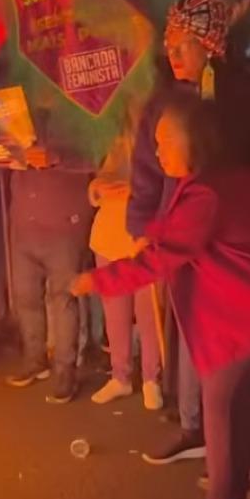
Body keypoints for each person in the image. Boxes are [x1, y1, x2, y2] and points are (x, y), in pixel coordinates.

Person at [70, 94, 250, 499]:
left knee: (224, 404)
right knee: (235, 405)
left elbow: (164, 257)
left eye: (167, 140)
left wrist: (98, 280)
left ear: (197, 140)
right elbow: (179, 235)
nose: (158, 150)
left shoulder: (208, 193)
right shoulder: (226, 179)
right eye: (156, 141)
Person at [128, 0, 250, 467]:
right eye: (169, 45)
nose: (173, 55)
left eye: (184, 45)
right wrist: (142, 224)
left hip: (238, 249)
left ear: (211, 45)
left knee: (236, 351)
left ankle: (248, 455)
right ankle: (197, 428)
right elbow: (146, 170)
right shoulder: (165, 101)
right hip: (184, 240)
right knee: (192, 339)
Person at [0, 113, 93, 404]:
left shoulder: (80, 108)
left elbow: (98, 157)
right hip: (24, 221)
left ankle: (66, 371)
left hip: (64, 221)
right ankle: (34, 359)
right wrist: (0, 149)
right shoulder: (17, 109)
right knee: (25, 295)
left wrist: (57, 157)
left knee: (63, 298)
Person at [88, 119, 163, 411]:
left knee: (149, 314)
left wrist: (134, 189)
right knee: (115, 313)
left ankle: (151, 379)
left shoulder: (158, 144)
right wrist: (100, 189)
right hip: (109, 233)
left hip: (143, 237)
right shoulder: (106, 139)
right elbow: (93, 188)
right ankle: (120, 375)